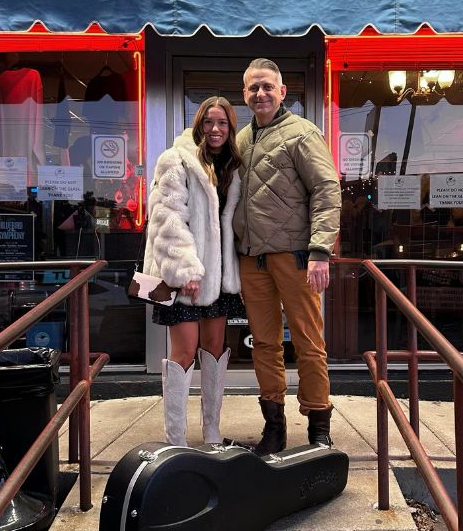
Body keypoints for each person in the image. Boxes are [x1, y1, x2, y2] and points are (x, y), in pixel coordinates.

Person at [233, 58, 342, 454]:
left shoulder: (302, 133)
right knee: (264, 344)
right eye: (252, 88)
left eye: (266, 86)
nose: (259, 94)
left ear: (282, 92)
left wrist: (320, 252)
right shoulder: (242, 140)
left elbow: (327, 190)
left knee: (309, 343)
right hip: (253, 261)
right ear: (244, 94)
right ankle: (274, 428)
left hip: (297, 258)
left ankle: (318, 427)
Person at [144, 96, 245, 446]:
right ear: (198, 124)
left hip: (217, 278)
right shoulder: (175, 160)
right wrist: (185, 268)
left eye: (222, 123)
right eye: (208, 122)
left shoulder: (234, 167)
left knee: (214, 350)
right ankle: (177, 439)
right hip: (183, 276)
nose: (215, 130)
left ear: (231, 128)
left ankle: (212, 431)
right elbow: (166, 217)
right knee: (183, 353)